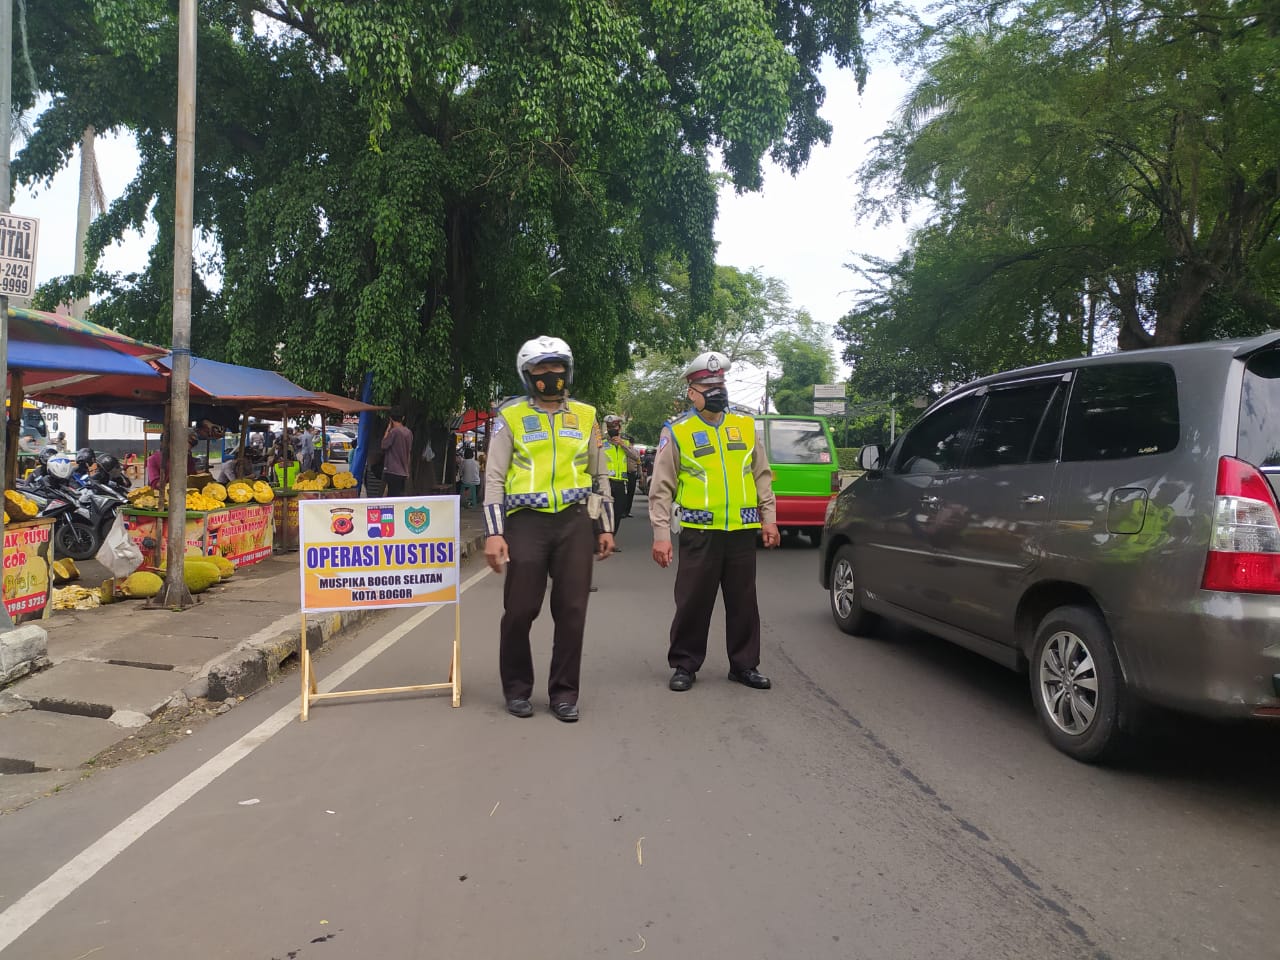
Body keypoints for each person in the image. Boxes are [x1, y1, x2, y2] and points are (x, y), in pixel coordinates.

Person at [483, 335, 615, 722]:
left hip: (574, 521)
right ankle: (517, 689)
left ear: (567, 370)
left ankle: (564, 693)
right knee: (521, 609)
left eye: (556, 368)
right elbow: (494, 478)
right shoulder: (510, 417)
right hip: (526, 521)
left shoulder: (587, 416)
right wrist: (494, 532)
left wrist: (605, 526)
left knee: (572, 609)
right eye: (540, 370)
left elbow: (599, 473)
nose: (549, 376)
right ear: (527, 376)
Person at [648, 350, 781, 693]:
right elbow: (661, 487)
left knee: (743, 603)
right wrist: (661, 534)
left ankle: (744, 665)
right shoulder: (677, 431)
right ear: (691, 392)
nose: (715, 389)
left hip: (740, 531)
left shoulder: (745, 425)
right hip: (699, 532)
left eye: (719, 382)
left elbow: (761, 475)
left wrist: (770, 519)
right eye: (707, 384)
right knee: (693, 601)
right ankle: (684, 664)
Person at [601, 414, 640, 542]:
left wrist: (622, 444)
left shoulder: (626, 442)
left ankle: (611, 538)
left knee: (617, 513)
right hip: (606, 483)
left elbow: (636, 457)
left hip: (620, 483)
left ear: (619, 427)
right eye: (610, 426)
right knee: (603, 513)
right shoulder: (601, 442)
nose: (612, 428)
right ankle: (602, 537)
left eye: (615, 426)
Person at [381, 407, 413, 496]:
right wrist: (407, 470)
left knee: (392, 496)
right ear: (403, 418)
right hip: (403, 471)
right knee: (399, 496)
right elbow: (409, 452)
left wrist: (387, 430)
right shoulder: (408, 432)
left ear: (390, 418)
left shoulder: (393, 432)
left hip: (392, 470)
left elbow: (384, 445)